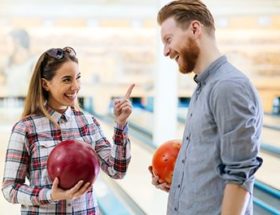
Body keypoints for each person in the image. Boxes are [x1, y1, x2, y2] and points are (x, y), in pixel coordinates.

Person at [149, 1, 263, 214]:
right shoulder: (204, 87)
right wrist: (181, 187)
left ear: (195, 29)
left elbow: (240, 174)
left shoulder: (228, 87)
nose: (165, 51)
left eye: (168, 40)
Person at [1, 46, 135, 214]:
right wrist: (51, 195)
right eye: (66, 80)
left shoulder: (89, 123)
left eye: (78, 78)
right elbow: (10, 189)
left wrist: (121, 124)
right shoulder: (25, 129)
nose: (75, 86)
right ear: (45, 84)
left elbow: (117, 171)